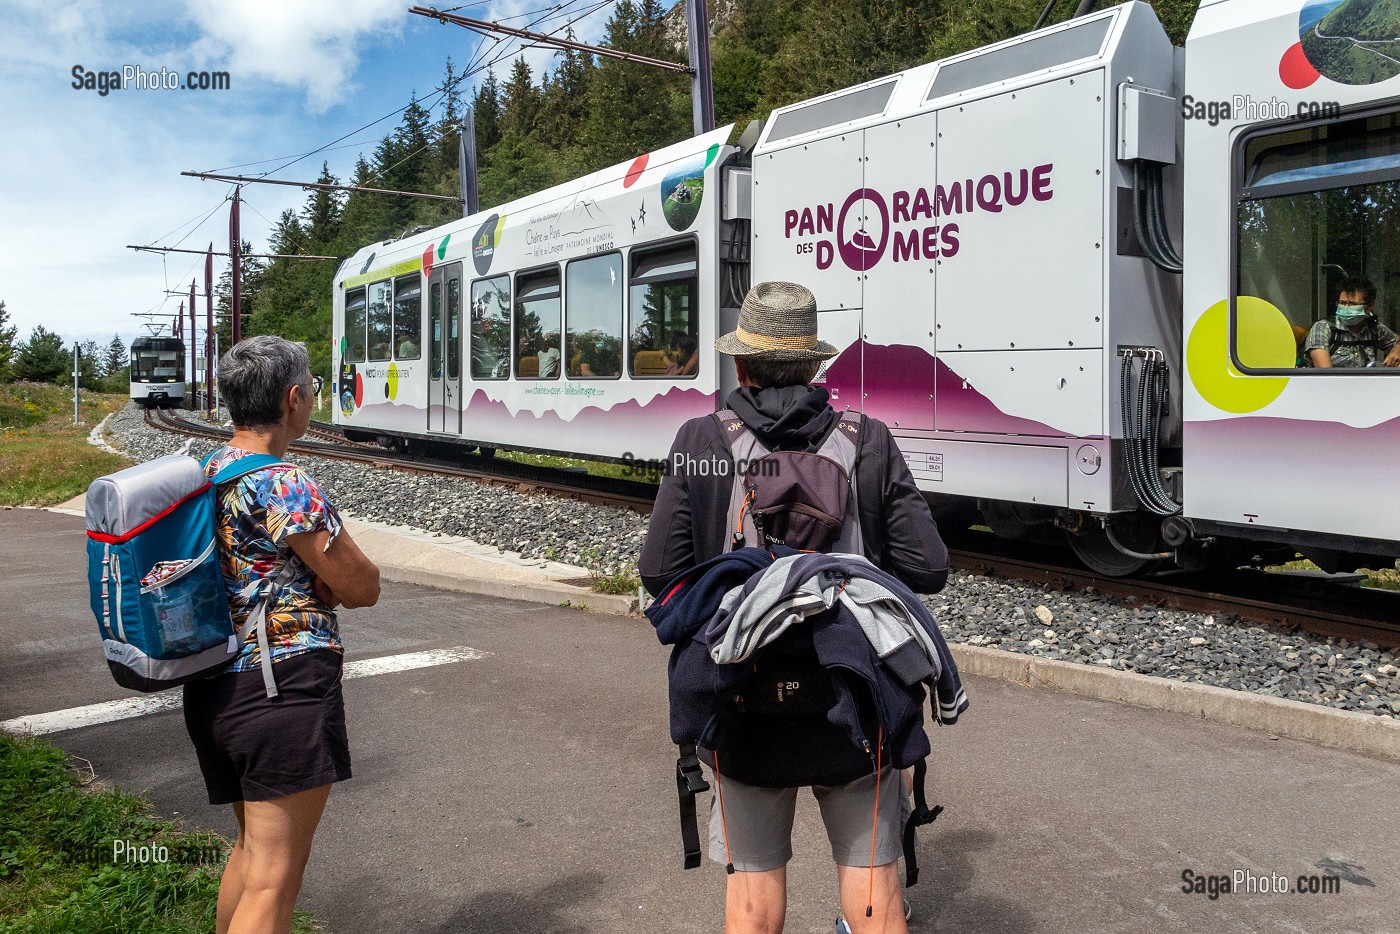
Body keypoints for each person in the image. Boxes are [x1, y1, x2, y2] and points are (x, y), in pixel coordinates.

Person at [640, 281, 950, 934]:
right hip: (855, 702)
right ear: (815, 366)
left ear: (740, 365)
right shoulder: (869, 441)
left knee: (753, 899)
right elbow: (929, 566)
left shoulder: (699, 442)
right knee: (874, 890)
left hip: (743, 703)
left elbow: (659, 572)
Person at [184, 335, 381, 934]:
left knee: (251, 854)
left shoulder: (203, 473)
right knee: (276, 879)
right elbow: (363, 585)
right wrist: (331, 582)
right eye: (313, 388)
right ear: (293, 398)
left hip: (213, 686)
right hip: (280, 689)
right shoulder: (284, 483)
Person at [1304, 276, 1400, 368]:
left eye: (1352, 304)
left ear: (1369, 306)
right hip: (1334, 384)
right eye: (1342, 302)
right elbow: (1325, 375)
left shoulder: (1374, 328)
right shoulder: (1323, 328)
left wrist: (1397, 349)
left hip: (1367, 383)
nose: (1346, 307)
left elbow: (1397, 343)